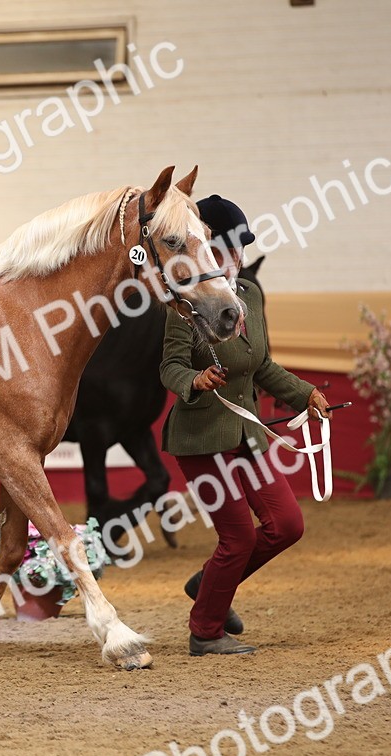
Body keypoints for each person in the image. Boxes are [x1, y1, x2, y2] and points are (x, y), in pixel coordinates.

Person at [159, 194, 331, 656]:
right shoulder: (186, 301)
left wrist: (306, 394)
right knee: (236, 538)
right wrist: (195, 379)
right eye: (230, 246)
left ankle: (208, 583)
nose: (237, 255)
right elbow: (169, 368)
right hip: (200, 439)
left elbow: (264, 366)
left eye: (239, 247)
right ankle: (206, 631)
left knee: (286, 525)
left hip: (247, 437)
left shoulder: (250, 295)